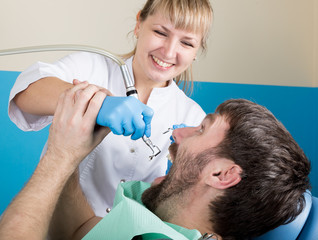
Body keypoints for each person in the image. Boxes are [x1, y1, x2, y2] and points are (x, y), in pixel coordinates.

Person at [0, 83, 311, 240]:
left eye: (201, 129)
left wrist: (60, 155)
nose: (178, 134)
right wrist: (74, 152)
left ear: (221, 174)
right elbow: (83, 228)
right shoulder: (161, 225)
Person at [7, 0, 213, 217]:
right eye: (160, 32)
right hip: (55, 224)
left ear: (196, 51)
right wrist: (95, 102)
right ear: (138, 25)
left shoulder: (193, 117)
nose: (169, 52)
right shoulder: (91, 66)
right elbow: (25, 92)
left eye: (187, 43)